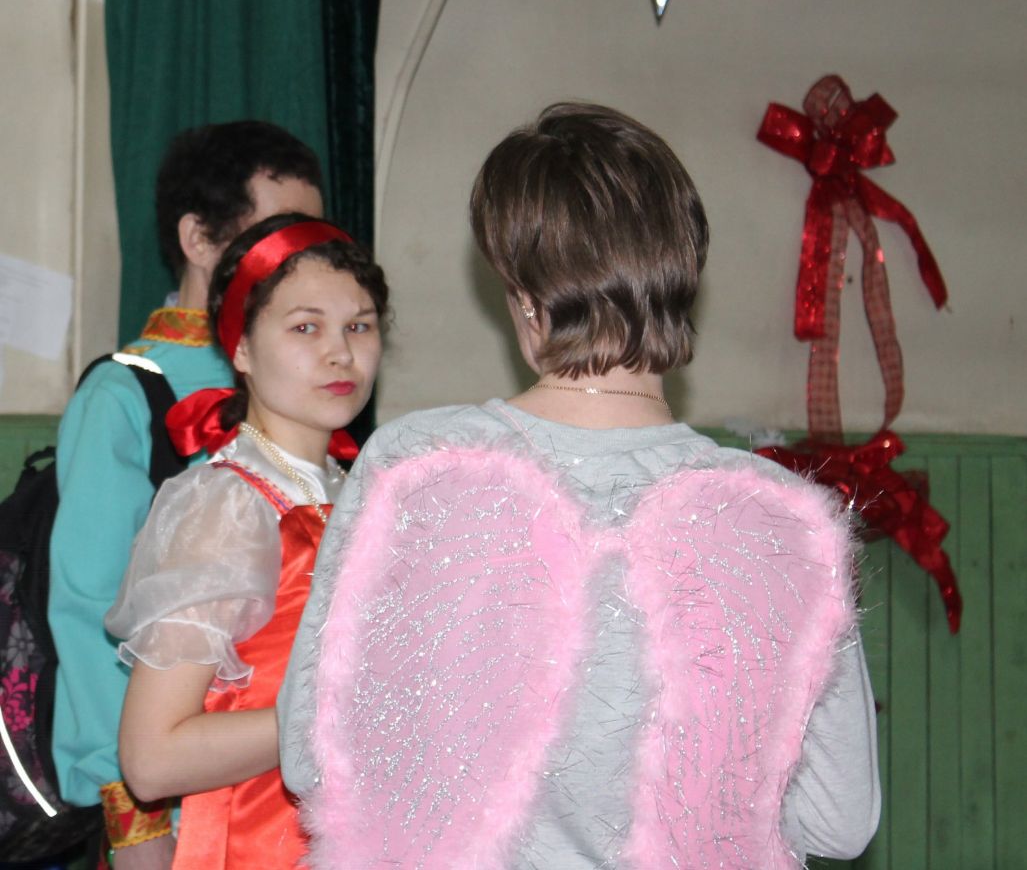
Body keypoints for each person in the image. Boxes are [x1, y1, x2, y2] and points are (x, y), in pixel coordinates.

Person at [278, 102, 881, 869]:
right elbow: (839, 823)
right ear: (680, 280)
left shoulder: (417, 467)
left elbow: (311, 759)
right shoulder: (782, 522)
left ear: (526, 299)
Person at [48, 121, 323, 866]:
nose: (296, 259)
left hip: (284, 782)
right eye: (272, 236)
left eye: (309, 238)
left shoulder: (309, 382)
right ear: (199, 238)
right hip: (168, 789)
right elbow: (87, 610)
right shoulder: (125, 393)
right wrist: (131, 812)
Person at [104, 212, 388, 869]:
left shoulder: (362, 490)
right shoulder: (228, 506)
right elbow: (151, 757)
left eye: (359, 325)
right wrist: (341, 717)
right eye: (305, 327)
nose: (340, 353)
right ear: (241, 348)